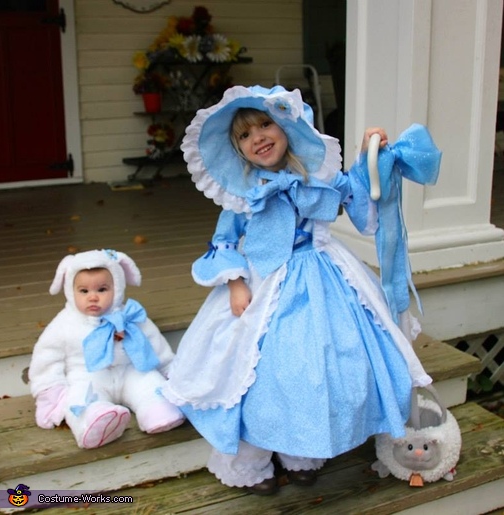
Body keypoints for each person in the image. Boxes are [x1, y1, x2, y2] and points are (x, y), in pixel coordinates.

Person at [162, 85, 442, 495]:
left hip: (323, 280)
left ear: (288, 127)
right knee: (260, 375)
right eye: (243, 135)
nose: (256, 137)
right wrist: (236, 283)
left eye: (264, 124)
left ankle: (301, 451)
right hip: (264, 287)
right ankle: (251, 461)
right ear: (237, 150)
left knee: (318, 368)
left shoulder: (316, 179)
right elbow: (222, 244)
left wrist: (370, 155)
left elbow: (361, 201)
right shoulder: (243, 198)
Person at [28, 249, 185, 449]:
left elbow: (155, 344)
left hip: (131, 371)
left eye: (102, 290)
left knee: (151, 383)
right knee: (80, 397)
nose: (93, 297)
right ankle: (96, 420)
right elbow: (46, 357)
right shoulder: (64, 324)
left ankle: (157, 410)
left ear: (117, 287)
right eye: (84, 291)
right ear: (70, 290)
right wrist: (49, 388)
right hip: (89, 376)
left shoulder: (130, 316)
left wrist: (169, 369)